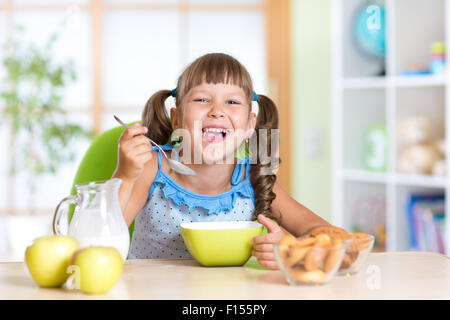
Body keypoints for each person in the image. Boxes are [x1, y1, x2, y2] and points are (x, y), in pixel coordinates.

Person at [112, 52, 329, 269]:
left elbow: (328, 235)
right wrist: (125, 174)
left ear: (249, 126)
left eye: (232, 101)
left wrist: (292, 249)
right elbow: (101, 236)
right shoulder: (152, 167)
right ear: (177, 118)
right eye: (202, 100)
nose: (217, 111)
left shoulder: (254, 177)